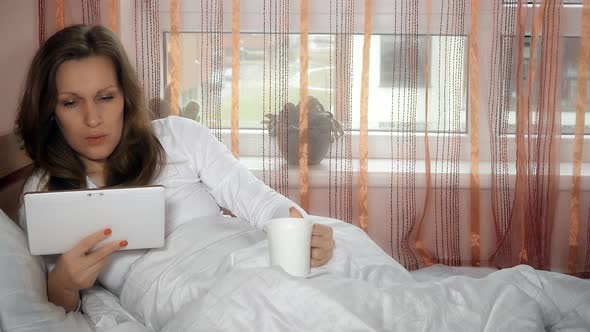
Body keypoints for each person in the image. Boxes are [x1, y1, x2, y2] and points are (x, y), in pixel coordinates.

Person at [15, 24, 335, 313]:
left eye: (105, 97)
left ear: (125, 97)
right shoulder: (45, 192)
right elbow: (55, 306)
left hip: (247, 255)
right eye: (71, 102)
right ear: (50, 110)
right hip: (184, 296)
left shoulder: (179, 136)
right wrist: (65, 284)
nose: (92, 118)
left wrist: (302, 233)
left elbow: (262, 203)